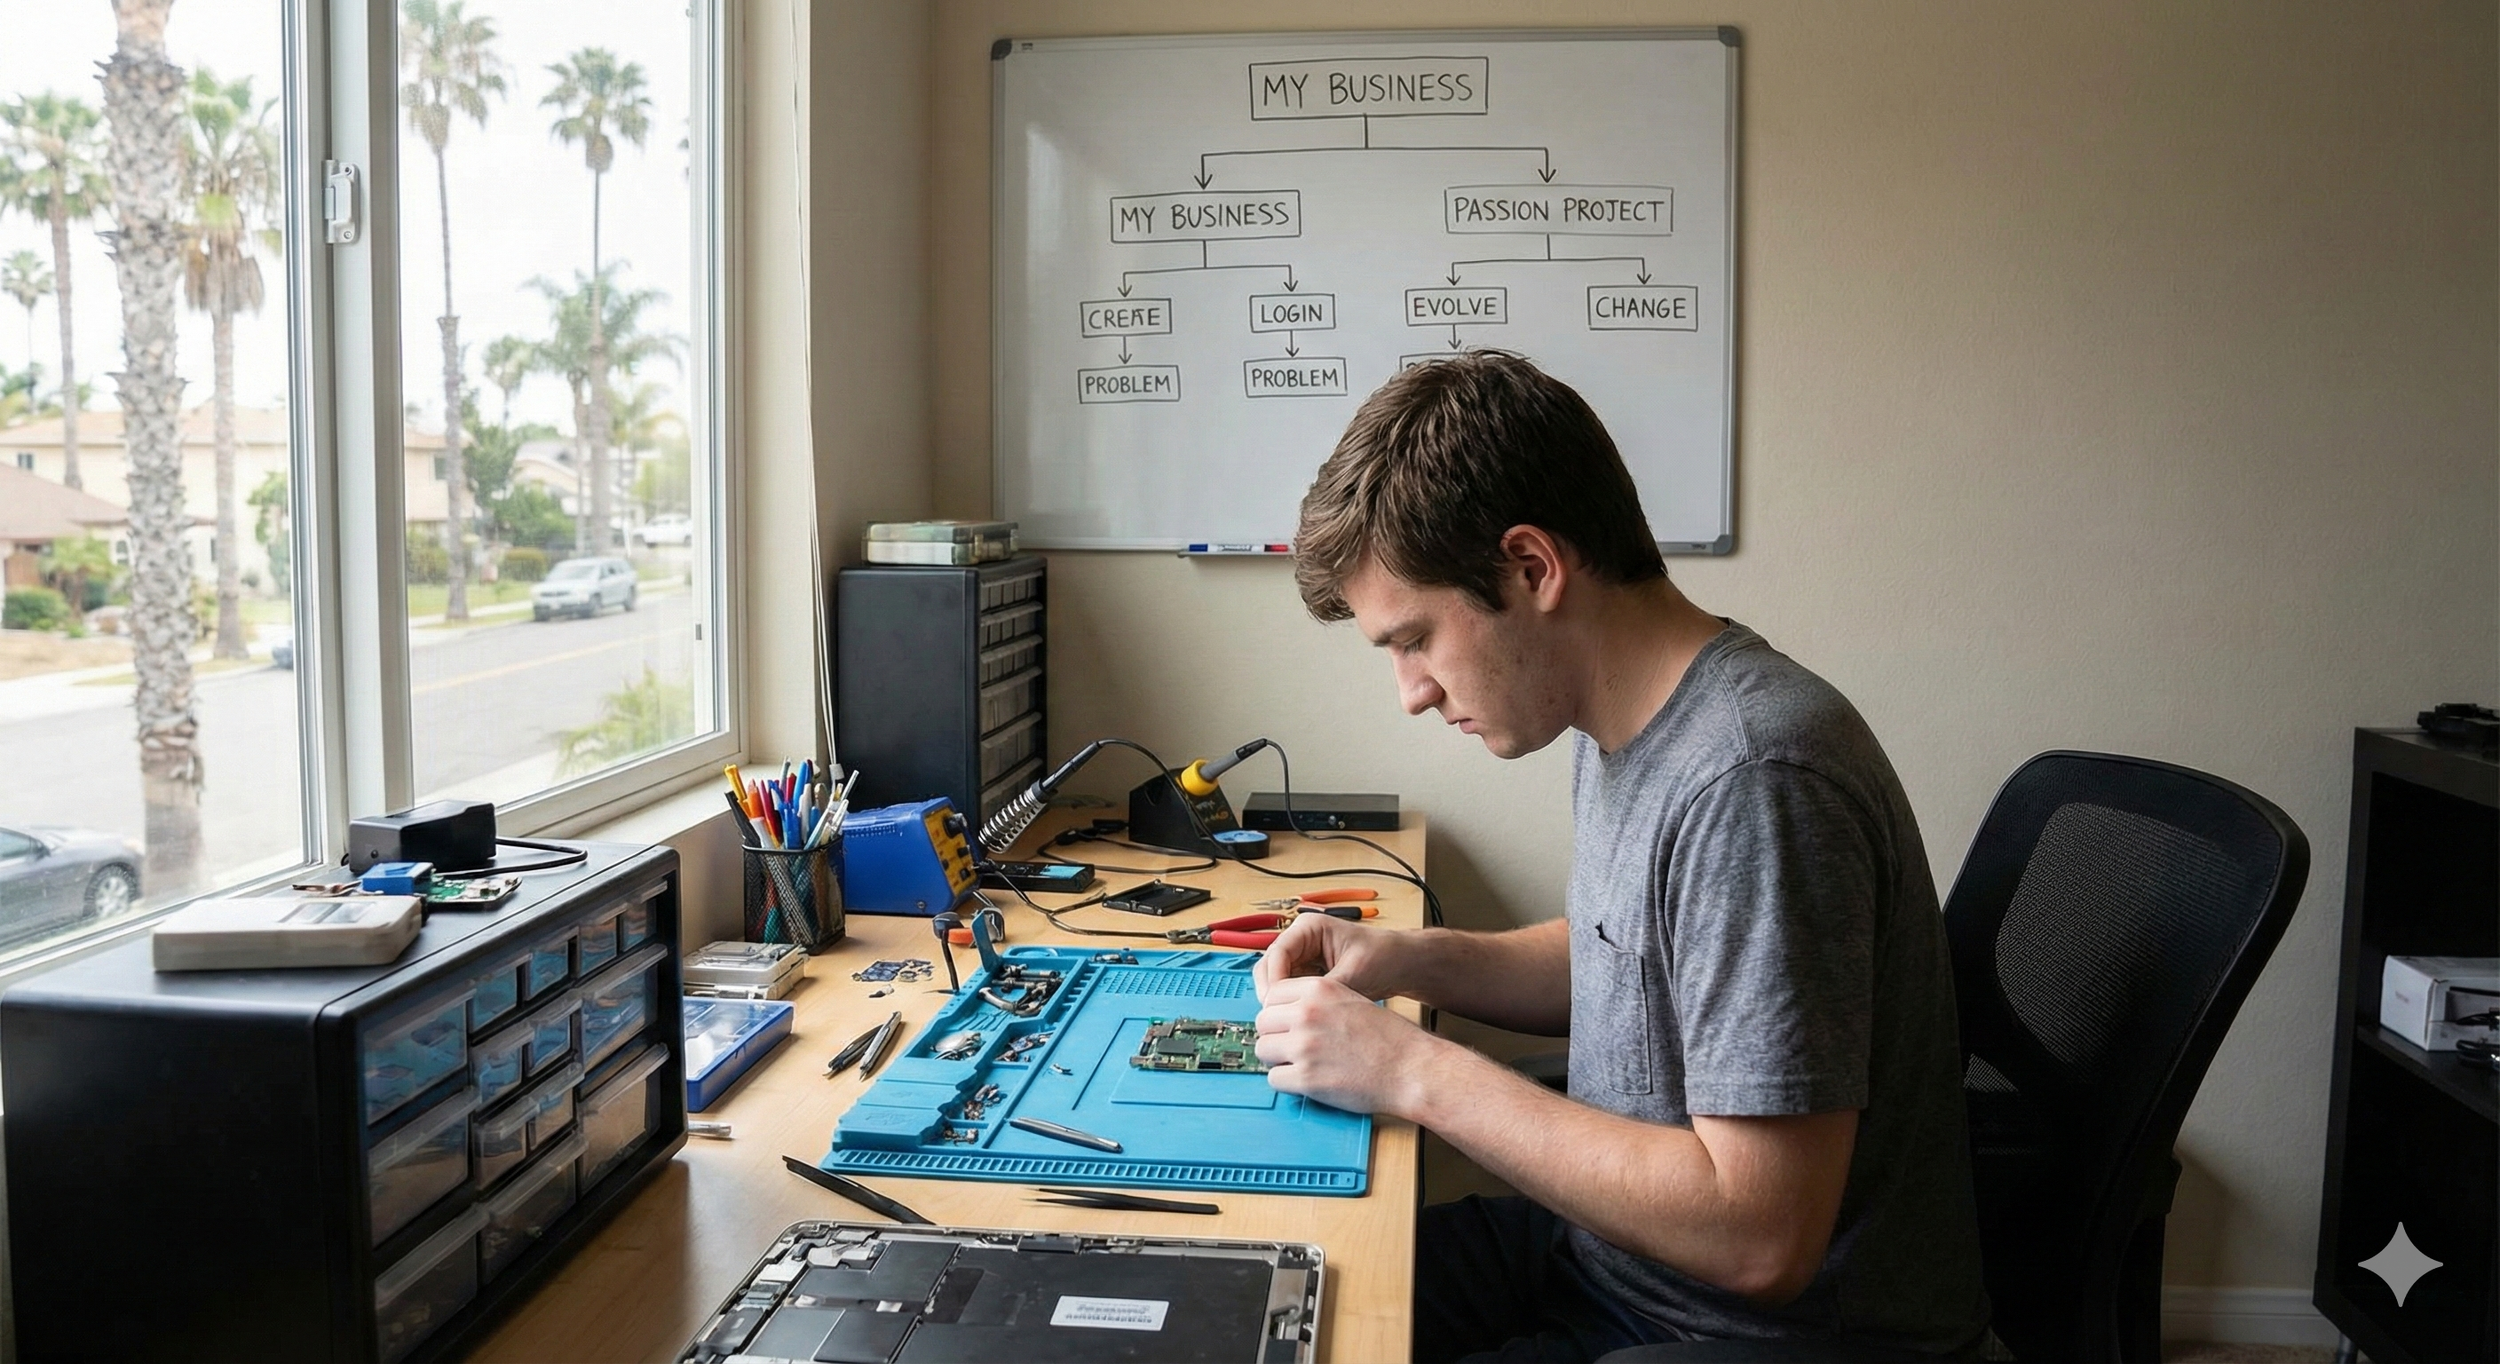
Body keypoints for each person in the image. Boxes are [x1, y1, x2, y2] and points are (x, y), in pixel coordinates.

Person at [1253, 351, 1990, 1362]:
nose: (1411, 690)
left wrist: (1412, 1069)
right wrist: (1403, 959)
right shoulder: (1627, 721)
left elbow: (1760, 1231)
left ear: (1531, 567)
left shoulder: (1751, 778)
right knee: (1280, 1300)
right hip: (1615, 1262)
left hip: (1747, 1330)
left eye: (1415, 636)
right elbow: (1635, 964)